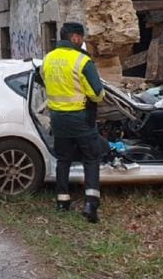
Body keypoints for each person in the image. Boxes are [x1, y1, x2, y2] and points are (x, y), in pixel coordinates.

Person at [42, 22, 106, 223]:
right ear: (75, 38)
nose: (83, 41)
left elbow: (43, 81)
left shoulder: (48, 59)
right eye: (82, 38)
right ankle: (91, 203)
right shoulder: (82, 60)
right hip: (81, 119)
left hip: (58, 120)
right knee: (91, 157)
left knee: (63, 160)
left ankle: (62, 202)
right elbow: (97, 94)